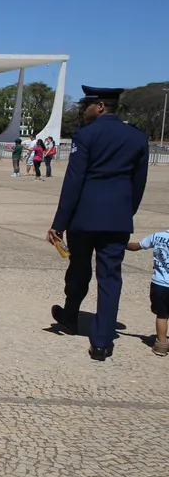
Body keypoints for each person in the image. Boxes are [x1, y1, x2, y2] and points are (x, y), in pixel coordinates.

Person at [47, 85, 150, 361]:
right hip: (117, 219)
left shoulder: (87, 135)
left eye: (88, 105)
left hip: (85, 217)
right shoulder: (137, 137)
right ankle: (103, 341)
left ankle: (70, 317)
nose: (84, 110)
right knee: (110, 278)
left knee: (79, 268)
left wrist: (59, 222)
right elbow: (138, 183)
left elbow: (74, 181)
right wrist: (125, 212)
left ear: (101, 106)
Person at [126, 229, 169, 356]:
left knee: (162, 315)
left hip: (159, 283)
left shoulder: (158, 236)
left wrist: (121, 243)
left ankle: (161, 346)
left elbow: (137, 246)